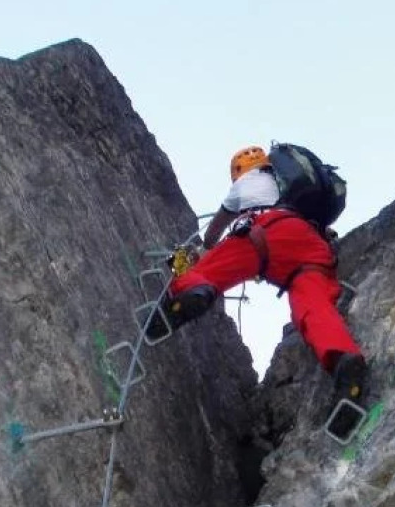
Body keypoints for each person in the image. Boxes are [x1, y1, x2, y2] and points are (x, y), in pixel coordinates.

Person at [147, 144, 369, 433]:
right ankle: (343, 358)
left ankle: (188, 294)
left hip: (263, 231)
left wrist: (205, 247)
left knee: (210, 271)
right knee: (313, 308)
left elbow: (214, 233)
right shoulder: (291, 187)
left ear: (238, 171)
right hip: (310, 246)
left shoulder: (245, 183)